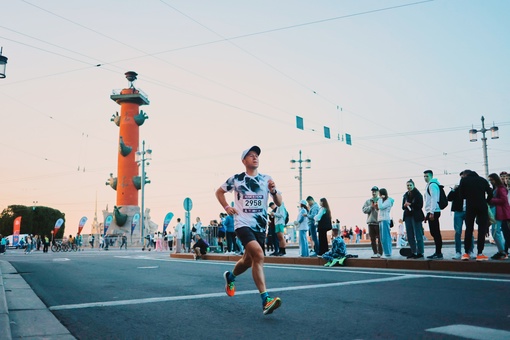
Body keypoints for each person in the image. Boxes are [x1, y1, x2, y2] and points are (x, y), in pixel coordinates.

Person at [215, 145, 282, 315]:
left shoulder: (267, 179)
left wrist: (274, 191)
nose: (255, 158)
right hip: (242, 224)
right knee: (259, 255)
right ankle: (265, 300)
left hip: (260, 226)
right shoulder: (237, 179)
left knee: (248, 260)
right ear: (244, 161)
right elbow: (219, 192)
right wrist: (226, 207)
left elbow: (279, 202)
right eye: (250, 155)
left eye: (256, 155)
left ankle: (231, 277)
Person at [458, 170, 493, 261]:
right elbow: (490, 193)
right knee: (481, 229)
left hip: (470, 206)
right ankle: (480, 254)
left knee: (469, 229)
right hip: (482, 206)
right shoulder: (482, 180)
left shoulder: (464, 181)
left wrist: (468, 197)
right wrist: (486, 201)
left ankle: (466, 253)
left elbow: (461, 195)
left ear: (466, 174)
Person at [447, 171, 474, 259]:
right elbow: (449, 198)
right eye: (461, 178)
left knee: (469, 232)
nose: (462, 179)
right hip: (458, 212)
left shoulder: (471, 188)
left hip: (469, 212)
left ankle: (470, 251)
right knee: (458, 232)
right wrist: (453, 189)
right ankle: (458, 252)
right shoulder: (458, 188)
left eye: (464, 177)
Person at [488, 173, 510, 260]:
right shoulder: (498, 188)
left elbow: (504, 200)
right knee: (496, 232)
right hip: (498, 212)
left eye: (491, 180)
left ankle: (502, 252)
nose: (491, 182)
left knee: (495, 232)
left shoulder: (500, 189)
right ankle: (502, 251)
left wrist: (492, 200)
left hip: (499, 213)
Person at [402, 179, 425, 259]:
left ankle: (420, 252)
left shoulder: (418, 194)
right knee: (410, 235)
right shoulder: (405, 195)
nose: (409, 187)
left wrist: (411, 204)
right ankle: (413, 251)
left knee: (418, 234)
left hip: (416, 216)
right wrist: (405, 205)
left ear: (413, 185)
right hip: (407, 216)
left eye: (410, 185)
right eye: (407, 185)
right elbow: (402, 207)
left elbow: (420, 205)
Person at [423, 170, 443, 259]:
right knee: (433, 232)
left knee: (436, 232)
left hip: (434, 211)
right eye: (424, 176)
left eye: (427, 176)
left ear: (431, 176)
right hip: (431, 211)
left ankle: (438, 252)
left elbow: (434, 199)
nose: (425, 178)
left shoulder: (433, 185)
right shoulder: (428, 185)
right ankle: (437, 252)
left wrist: (431, 212)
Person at [362, 186, 383, 258]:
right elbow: (364, 210)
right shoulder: (368, 201)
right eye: (372, 191)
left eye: (375, 191)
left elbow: (383, 209)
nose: (374, 193)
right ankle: (375, 252)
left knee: (380, 239)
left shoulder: (380, 200)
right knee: (372, 239)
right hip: (370, 222)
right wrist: (371, 207)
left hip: (378, 222)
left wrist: (377, 206)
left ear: (378, 192)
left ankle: (380, 253)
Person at [376, 188, 394, 258]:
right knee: (382, 238)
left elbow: (380, 207)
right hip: (381, 220)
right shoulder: (383, 201)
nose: (379, 196)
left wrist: (380, 199)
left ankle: (387, 253)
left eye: (379, 194)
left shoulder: (388, 201)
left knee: (385, 237)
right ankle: (386, 252)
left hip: (385, 220)